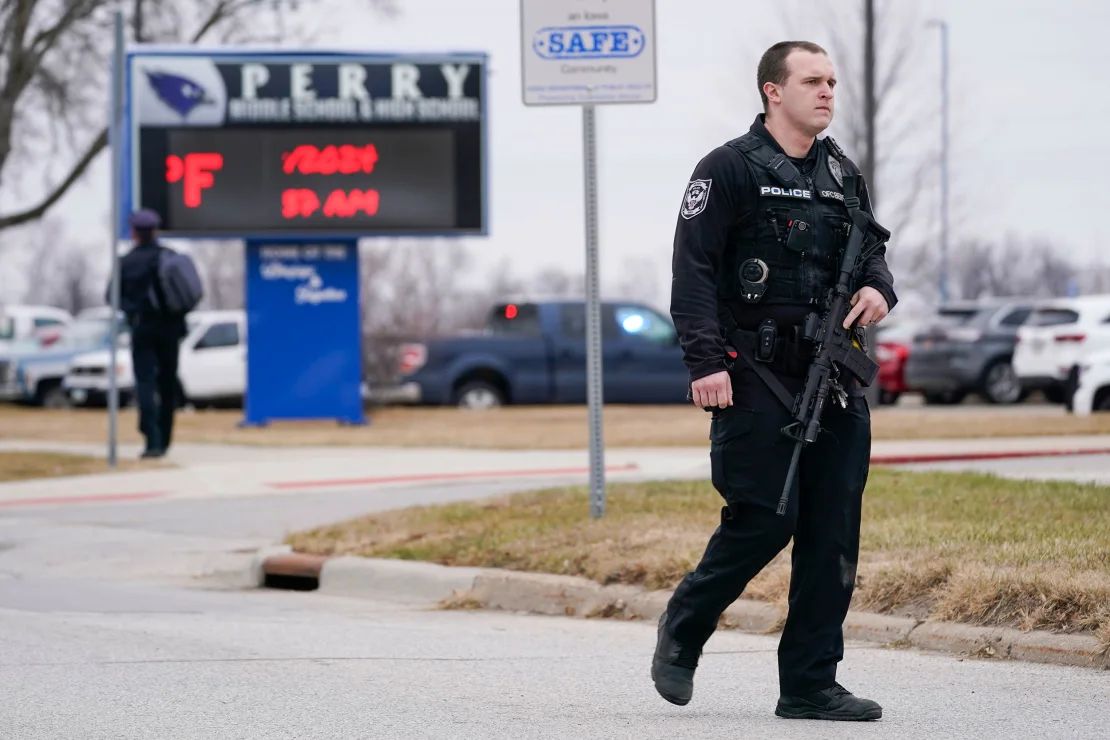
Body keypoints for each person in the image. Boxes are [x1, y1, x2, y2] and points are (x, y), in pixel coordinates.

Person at [652, 40, 897, 721]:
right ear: (772, 91)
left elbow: (871, 251)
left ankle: (810, 686)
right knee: (764, 518)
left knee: (831, 534)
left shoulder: (843, 175)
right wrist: (703, 363)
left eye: (832, 81)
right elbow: (693, 270)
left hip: (834, 374)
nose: (827, 92)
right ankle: (686, 622)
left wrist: (881, 290)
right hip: (750, 371)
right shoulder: (727, 169)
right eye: (812, 81)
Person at [110, 208, 188, 458]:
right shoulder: (170, 257)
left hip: (142, 329)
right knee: (167, 382)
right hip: (171, 329)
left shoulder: (126, 262)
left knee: (145, 382)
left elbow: (111, 296)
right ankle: (165, 438)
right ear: (155, 232)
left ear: (134, 233)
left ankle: (151, 438)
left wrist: (132, 309)